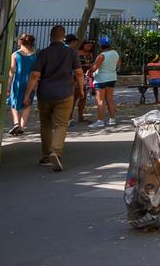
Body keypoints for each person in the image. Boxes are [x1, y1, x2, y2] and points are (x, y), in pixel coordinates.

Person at [24, 25, 82, 172]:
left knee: (46, 124)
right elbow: (79, 73)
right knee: (61, 124)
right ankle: (55, 152)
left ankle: (45, 156)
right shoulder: (71, 53)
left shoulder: (43, 53)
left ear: (50, 36)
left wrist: (27, 95)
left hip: (45, 93)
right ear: (63, 37)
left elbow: (35, 75)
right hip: (65, 93)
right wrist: (80, 89)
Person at [7, 33, 37, 135]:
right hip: (31, 82)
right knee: (27, 104)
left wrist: (9, 84)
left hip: (18, 81)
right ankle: (22, 127)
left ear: (20, 42)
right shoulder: (35, 56)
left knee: (13, 102)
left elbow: (11, 71)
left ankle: (16, 123)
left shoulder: (15, 55)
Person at [89, 36, 120, 128]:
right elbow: (118, 64)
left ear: (100, 45)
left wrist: (89, 71)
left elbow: (95, 68)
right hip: (112, 78)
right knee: (110, 99)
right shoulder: (115, 53)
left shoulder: (101, 56)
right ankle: (112, 119)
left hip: (101, 79)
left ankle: (100, 121)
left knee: (100, 100)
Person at [74, 39, 96, 125]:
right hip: (77, 77)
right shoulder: (77, 53)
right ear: (83, 45)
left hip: (87, 78)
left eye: (91, 46)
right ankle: (69, 118)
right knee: (74, 97)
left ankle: (81, 117)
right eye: (88, 46)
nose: (89, 48)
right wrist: (85, 66)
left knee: (83, 98)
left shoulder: (90, 54)